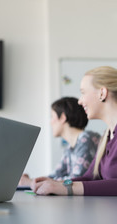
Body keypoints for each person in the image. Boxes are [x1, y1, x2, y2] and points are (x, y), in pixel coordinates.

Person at [32, 66, 117, 196]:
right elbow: (89, 178)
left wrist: (66, 188)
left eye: (83, 92)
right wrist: (55, 183)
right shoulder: (107, 137)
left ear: (102, 93)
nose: (80, 100)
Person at [19, 97, 100, 188]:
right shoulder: (71, 147)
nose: (51, 122)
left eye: (52, 117)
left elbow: (77, 179)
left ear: (62, 117)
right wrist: (33, 180)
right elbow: (55, 175)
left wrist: (30, 182)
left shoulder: (86, 139)